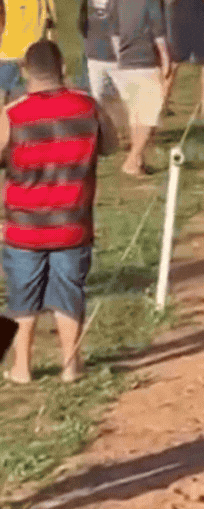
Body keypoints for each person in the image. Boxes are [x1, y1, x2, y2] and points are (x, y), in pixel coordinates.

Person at [0, 40, 117, 384]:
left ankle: (21, 367)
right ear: (63, 67)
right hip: (73, 222)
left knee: (21, 295)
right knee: (69, 290)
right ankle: (71, 364)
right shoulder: (88, 107)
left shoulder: (12, 114)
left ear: (25, 71)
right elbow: (110, 145)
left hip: (24, 226)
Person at [111, 0, 171, 177]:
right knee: (149, 116)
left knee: (135, 114)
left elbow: (115, 32)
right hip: (145, 59)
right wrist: (166, 60)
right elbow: (158, 33)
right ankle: (132, 159)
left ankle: (138, 162)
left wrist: (119, 57)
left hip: (125, 61)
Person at [0, 0, 56, 103]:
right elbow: (51, 22)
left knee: (2, 94)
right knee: (36, 94)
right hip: (33, 51)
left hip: (8, 50)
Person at [78, 0, 126, 110]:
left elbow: (82, 20)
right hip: (115, 53)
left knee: (96, 102)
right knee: (129, 99)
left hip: (93, 51)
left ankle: (97, 133)